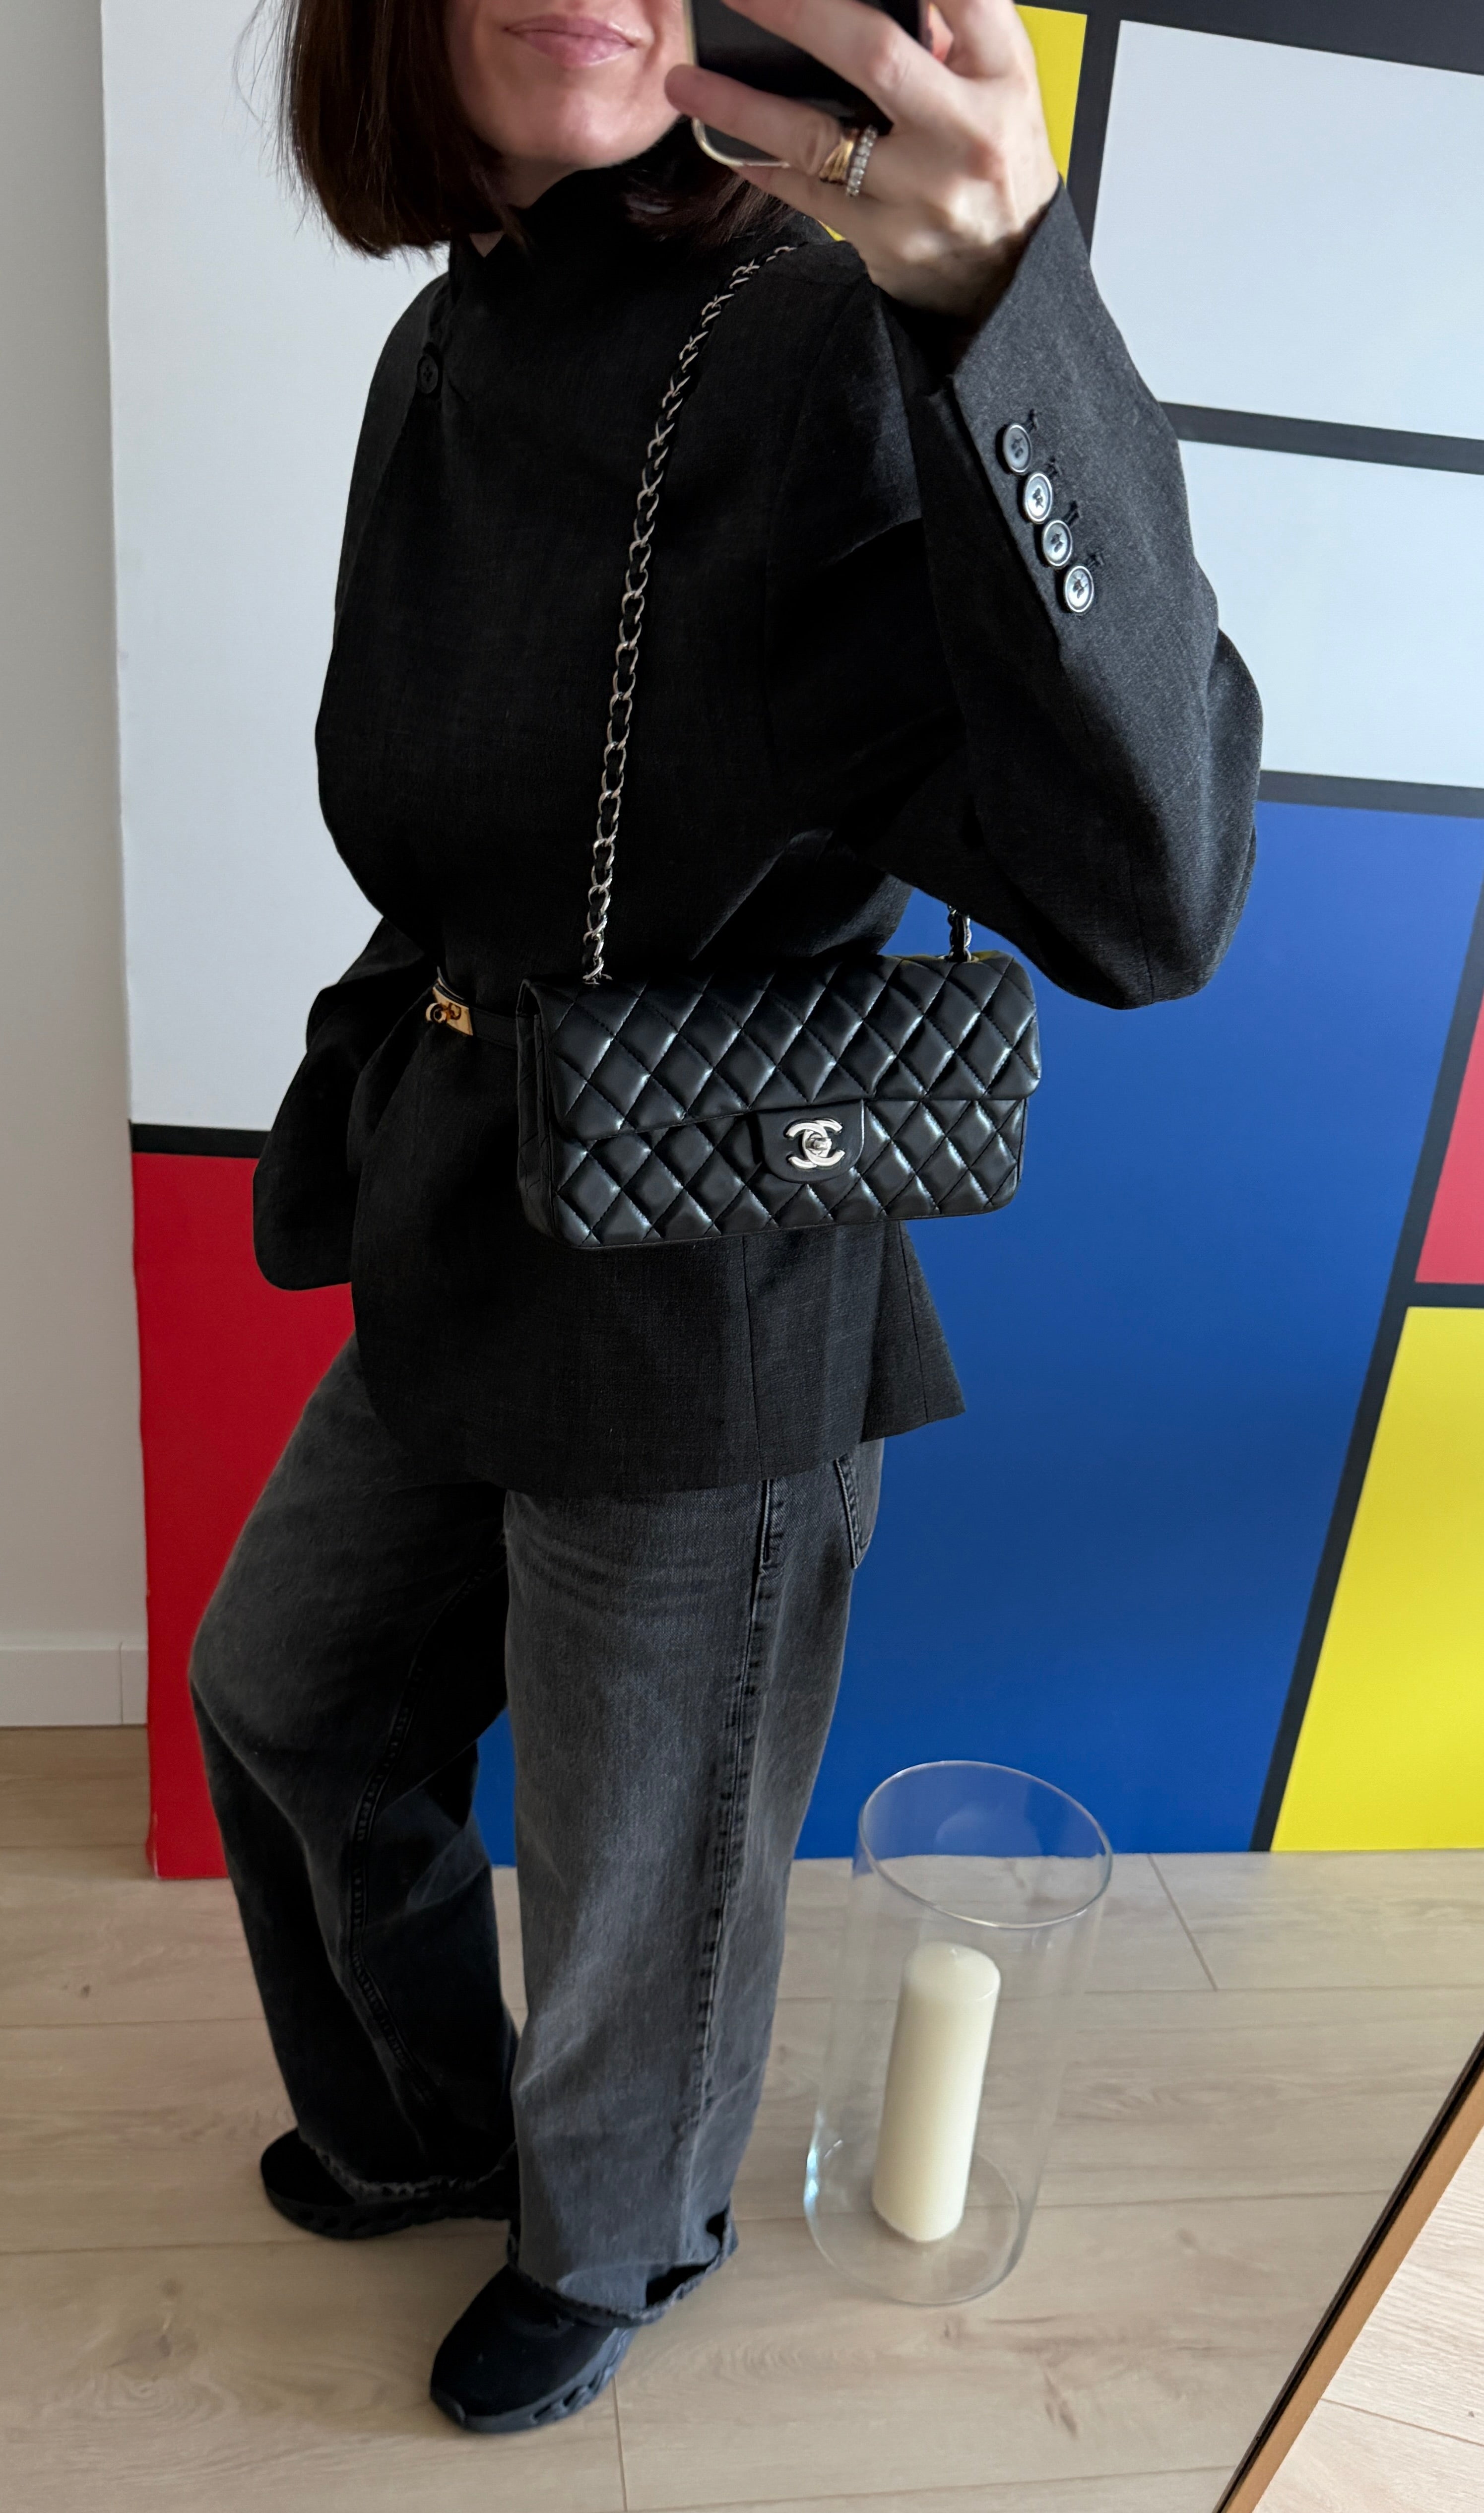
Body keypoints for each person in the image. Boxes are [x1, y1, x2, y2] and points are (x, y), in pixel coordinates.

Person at [190, 0, 1261, 2437]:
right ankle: (425, 2122)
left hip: (703, 1262)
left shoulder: (812, 348)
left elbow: (1157, 890)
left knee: (637, 1855)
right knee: (288, 1689)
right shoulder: (444, 343)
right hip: (470, 1183)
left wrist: (997, 308)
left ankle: (616, 2233)